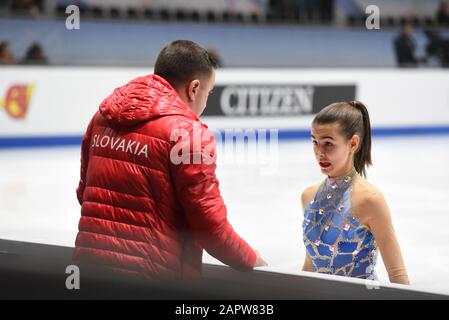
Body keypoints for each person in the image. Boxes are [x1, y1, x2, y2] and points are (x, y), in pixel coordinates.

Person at [73, 40, 267, 282]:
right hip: (153, 279)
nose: (206, 101)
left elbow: (85, 193)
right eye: (209, 92)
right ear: (194, 88)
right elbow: (208, 226)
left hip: (89, 271)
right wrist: (249, 258)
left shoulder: (101, 116)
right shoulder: (189, 133)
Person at [300, 101, 409, 285]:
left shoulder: (370, 200)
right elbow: (311, 265)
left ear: (353, 143)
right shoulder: (308, 196)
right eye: (315, 142)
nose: (319, 152)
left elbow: (398, 276)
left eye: (328, 143)